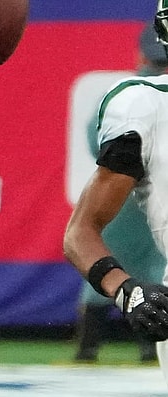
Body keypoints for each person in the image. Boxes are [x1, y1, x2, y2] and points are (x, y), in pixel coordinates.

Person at [64, 6, 168, 360]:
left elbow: (101, 147)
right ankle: (146, 350)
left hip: (127, 187)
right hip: (132, 190)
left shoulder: (134, 100)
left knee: (126, 266)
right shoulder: (139, 101)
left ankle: (89, 348)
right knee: (152, 266)